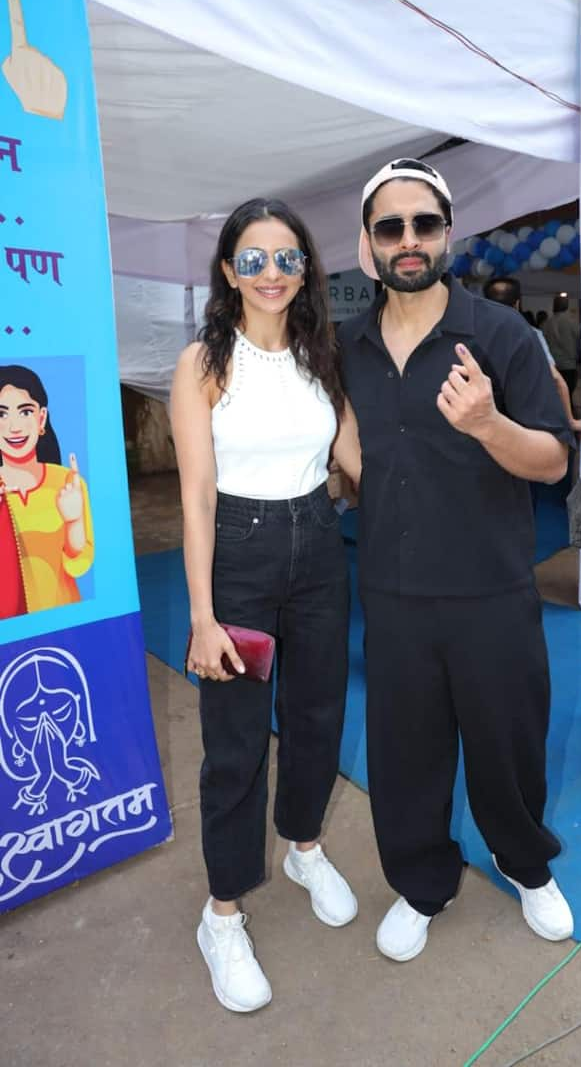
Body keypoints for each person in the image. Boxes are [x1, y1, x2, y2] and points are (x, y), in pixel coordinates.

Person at [339, 158, 575, 963]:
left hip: (491, 589)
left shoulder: (502, 335)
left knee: (508, 744)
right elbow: (351, 455)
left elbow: (553, 461)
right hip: (394, 592)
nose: (409, 241)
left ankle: (528, 867)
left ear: (449, 233)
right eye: (390, 227)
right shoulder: (352, 348)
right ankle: (421, 885)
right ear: (369, 245)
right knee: (406, 755)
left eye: (424, 224)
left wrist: (486, 425)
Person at [170, 198, 362, 1012]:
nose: (272, 274)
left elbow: (358, 459)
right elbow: (197, 496)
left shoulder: (324, 357)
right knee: (237, 743)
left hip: (319, 547)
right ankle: (222, 913)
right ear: (228, 272)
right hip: (240, 556)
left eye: (287, 258)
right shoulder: (204, 364)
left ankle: (305, 846)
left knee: (318, 715)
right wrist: (204, 616)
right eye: (253, 259)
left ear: (306, 270)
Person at [0, 365, 93, 617]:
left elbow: (79, 564)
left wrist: (73, 520)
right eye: (1, 414)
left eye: (25, 411)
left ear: (41, 419)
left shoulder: (68, 482)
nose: (14, 427)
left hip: (62, 622)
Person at [483, 277, 581, 439]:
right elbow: (556, 379)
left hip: (486, 423)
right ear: (517, 303)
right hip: (525, 423)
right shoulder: (529, 333)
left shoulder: (475, 334)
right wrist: (571, 420)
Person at [543, 293, 581, 396]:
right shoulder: (572, 322)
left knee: (557, 395)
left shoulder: (547, 323)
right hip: (569, 364)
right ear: (566, 306)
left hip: (553, 365)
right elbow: (580, 340)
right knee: (568, 393)